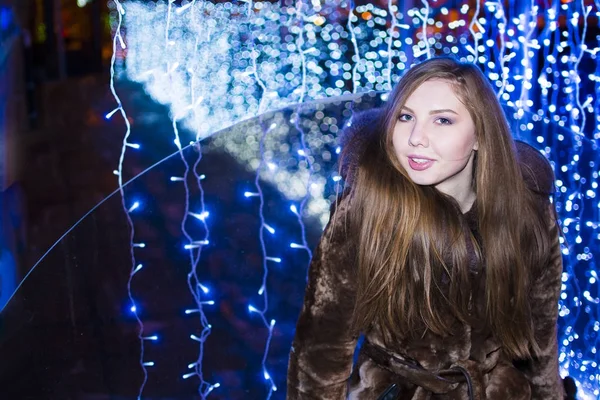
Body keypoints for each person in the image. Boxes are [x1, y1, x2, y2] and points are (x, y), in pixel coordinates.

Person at [286, 57, 566, 399]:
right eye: (405, 117)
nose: (416, 138)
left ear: (480, 135)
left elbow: (540, 342)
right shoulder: (366, 210)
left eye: (443, 121)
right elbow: (322, 351)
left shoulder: (529, 211)